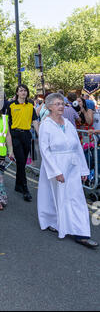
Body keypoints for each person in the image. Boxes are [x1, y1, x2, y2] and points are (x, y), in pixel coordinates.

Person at [37, 93, 98, 248]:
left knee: (76, 198)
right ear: (49, 107)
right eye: (57, 104)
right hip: (56, 165)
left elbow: (77, 147)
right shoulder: (46, 125)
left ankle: (81, 233)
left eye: (62, 104)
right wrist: (56, 171)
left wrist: (84, 170)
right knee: (56, 197)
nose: (61, 107)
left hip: (72, 165)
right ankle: (54, 221)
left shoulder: (69, 124)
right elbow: (44, 150)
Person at [7, 84, 39, 202]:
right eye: (21, 90)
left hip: (26, 135)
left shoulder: (31, 106)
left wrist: (40, 134)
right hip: (15, 135)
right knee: (20, 161)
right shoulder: (11, 105)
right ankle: (25, 189)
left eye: (25, 90)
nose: (23, 92)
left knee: (23, 162)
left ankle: (17, 185)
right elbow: (7, 121)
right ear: (17, 93)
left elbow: (35, 121)